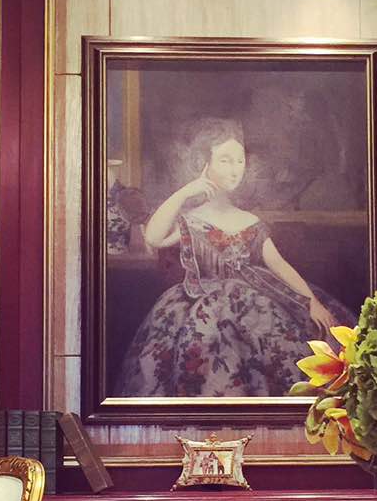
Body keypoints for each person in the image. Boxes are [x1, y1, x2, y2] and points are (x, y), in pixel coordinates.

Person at [115, 118, 354, 397]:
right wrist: (186, 191)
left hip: (257, 308)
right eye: (225, 160)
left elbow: (279, 265)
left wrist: (312, 302)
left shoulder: (250, 221)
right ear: (204, 164)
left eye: (239, 161)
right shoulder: (192, 219)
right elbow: (154, 238)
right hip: (199, 309)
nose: (234, 168)